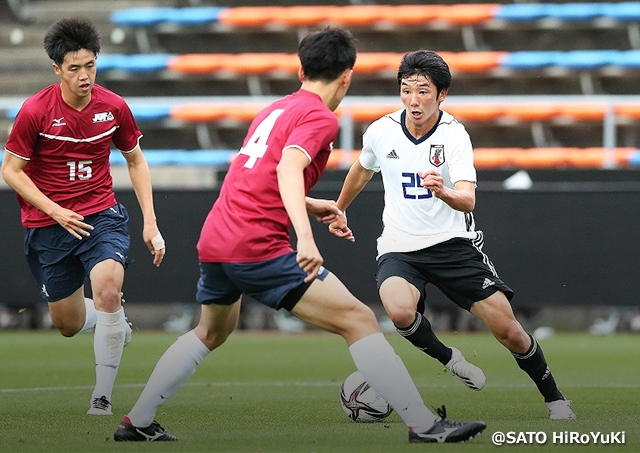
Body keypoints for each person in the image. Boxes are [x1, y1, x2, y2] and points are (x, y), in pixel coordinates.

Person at [113, 27, 486, 444]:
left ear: (301, 67)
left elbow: (256, 174)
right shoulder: (319, 117)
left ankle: (138, 420)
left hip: (217, 236)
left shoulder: (276, 109)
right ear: (347, 76)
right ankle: (424, 426)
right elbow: (288, 169)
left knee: (210, 332)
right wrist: (305, 238)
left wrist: (311, 205)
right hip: (255, 244)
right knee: (359, 320)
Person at [329, 50, 576, 420]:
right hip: (400, 247)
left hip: (453, 246)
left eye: (423, 91)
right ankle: (450, 359)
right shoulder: (380, 131)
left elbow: (467, 199)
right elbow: (363, 169)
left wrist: (443, 191)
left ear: (441, 94)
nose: (413, 99)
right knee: (398, 311)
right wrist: (340, 207)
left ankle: (555, 399)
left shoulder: (454, 135)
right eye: (406, 90)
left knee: (510, 331)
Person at [1, 18, 165, 416]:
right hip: (49, 225)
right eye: (74, 68)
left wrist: (150, 221)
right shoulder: (36, 111)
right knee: (68, 323)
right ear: (57, 69)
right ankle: (114, 323)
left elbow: (136, 160)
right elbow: (10, 170)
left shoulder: (114, 107)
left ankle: (102, 397)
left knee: (109, 285)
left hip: (100, 214)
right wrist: (55, 210)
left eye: (90, 65)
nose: (84, 75)